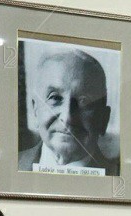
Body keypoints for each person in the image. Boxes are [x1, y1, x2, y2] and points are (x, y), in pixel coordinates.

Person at [18, 47, 118, 176]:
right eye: (55, 98)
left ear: (103, 119)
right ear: (35, 110)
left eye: (84, 101)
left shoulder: (120, 176)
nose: (67, 118)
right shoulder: (6, 166)